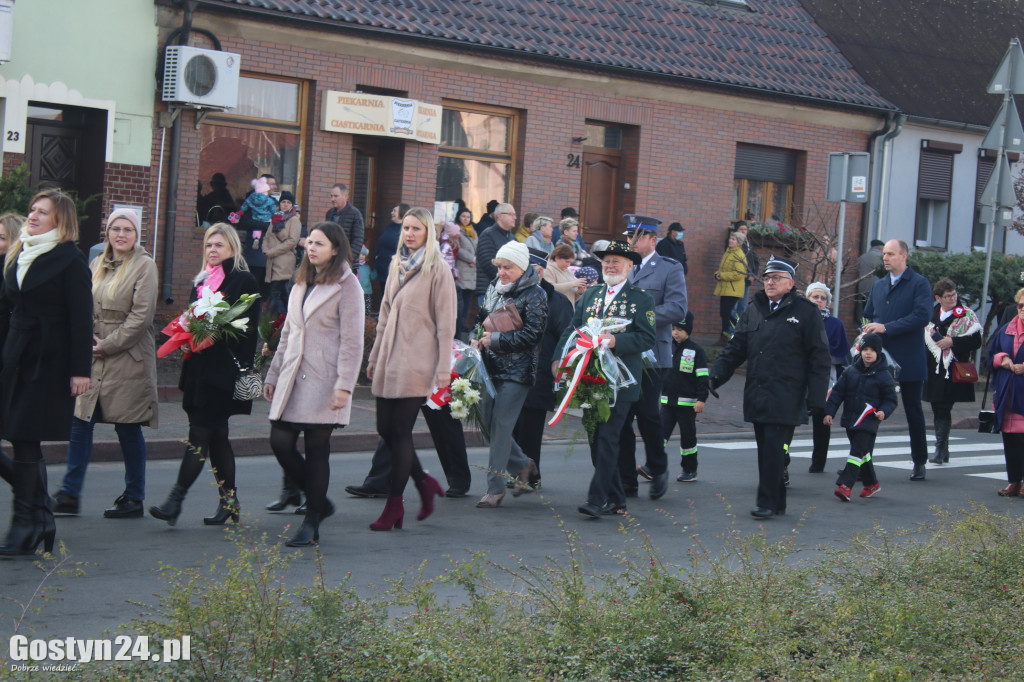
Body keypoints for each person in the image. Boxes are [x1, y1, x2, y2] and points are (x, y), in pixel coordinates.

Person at [0, 189, 92, 556]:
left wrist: (80, 370)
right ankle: (39, 517)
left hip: (48, 360)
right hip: (14, 356)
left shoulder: (70, 259)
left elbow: (81, 319)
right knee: (22, 439)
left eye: (42, 212)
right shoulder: (19, 252)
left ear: (60, 220)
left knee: (24, 436)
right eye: (32, 210)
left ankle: (27, 523)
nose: (33, 217)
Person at [149, 224, 260, 527]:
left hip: (221, 374)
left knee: (199, 434)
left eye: (219, 246)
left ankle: (175, 500)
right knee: (217, 436)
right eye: (209, 245)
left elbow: (243, 327)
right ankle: (229, 501)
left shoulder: (243, 280)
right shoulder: (202, 281)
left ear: (233, 249)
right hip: (200, 370)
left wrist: (208, 332)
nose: (212, 250)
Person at [53, 209, 159, 519]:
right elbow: (81, 304)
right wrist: (84, 340)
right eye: (115, 228)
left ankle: (134, 496)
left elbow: (141, 318)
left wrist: (107, 346)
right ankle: (70, 494)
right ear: (107, 232)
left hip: (128, 358)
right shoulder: (96, 263)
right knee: (80, 423)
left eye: (127, 229)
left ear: (136, 234)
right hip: (94, 354)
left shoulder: (145, 266)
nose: (121, 234)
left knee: (127, 428)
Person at [263, 222, 364, 546]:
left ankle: (311, 521)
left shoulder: (349, 286)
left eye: (320, 244)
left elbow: (352, 342)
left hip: (325, 379)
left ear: (336, 249)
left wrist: (344, 386)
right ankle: (319, 500)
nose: (312, 248)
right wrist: (273, 374)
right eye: (310, 242)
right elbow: (289, 335)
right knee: (280, 441)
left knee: (318, 449)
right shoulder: (301, 281)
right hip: (293, 376)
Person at [710, 255, 830, 519]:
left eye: (776, 278)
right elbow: (736, 348)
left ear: (790, 283)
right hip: (758, 390)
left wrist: (817, 399)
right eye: (767, 278)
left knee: (774, 447)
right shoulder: (754, 308)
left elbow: (820, 357)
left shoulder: (805, 311)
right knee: (766, 447)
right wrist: (715, 376)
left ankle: (766, 501)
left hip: (787, 392)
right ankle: (778, 500)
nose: (770, 282)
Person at [365, 207, 457, 530]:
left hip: (419, 361)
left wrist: (443, 369)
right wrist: (374, 355)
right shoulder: (396, 264)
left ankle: (394, 506)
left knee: (400, 430)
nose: (410, 234)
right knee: (384, 429)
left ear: (428, 232)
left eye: (416, 229)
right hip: (390, 358)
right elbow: (385, 313)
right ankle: (424, 483)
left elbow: (446, 325)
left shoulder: (438, 269)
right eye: (406, 228)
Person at [555, 240, 656, 518]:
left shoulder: (640, 298)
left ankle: (595, 499)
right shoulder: (591, 295)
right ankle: (617, 498)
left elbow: (647, 337)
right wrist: (558, 359)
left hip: (621, 382)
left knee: (609, 438)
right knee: (595, 440)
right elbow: (572, 329)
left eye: (617, 262)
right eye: (607, 261)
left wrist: (616, 341)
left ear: (630, 266)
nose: (610, 266)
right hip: (590, 378)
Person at [473, 241, 548, 508]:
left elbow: (531, 336)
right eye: (500, 267)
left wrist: (494, 341)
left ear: (523, 267)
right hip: (490, 367)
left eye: (508, 267)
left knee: (502, 427)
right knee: (489, 426)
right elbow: (481, 318)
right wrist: (475, 339)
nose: (502, 272)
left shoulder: (536, 294)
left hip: (517, 371)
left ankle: (495, 489)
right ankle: (524, 464)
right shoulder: (495, 287)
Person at [619, 215, 688, 500]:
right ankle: (626, 480)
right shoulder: (622, 266)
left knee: (648, 415)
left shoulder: (669, 268)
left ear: (651, 239)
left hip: (652, 354)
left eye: (634, 238)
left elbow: (677, 309)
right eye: (627, 238)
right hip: (622, 351)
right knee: (621, 418)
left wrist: (641, 317)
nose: (630, 243)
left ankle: (658, 468)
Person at [863, 239, 933, 480]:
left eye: (891, 254)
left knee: (914, 411)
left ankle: (919, 462)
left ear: (904, 256)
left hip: (910, 358)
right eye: (884, 254)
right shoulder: (879, 285)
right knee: (871, 409)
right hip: (881, 359)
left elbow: (922, 316)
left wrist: (886, 327)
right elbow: (868, 315)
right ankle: (863, 463)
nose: (885, 258)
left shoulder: (919, 283)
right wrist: (867, 332)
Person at [513, 249, 573, 490]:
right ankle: (518, 472)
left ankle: (530, 476)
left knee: (530, 427)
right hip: (513, 371)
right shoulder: (513, 294)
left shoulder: (556, 301)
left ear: (538, 272)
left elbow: (567, 337)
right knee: (514, 425)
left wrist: (559, 367)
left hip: (540, 373)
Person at [824, 333, 898, 502]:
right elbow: (837, 394)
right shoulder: (850, 371)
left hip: (869, 420)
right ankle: (872, 484)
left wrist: (884, 412)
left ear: (879, 353)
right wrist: (829, 412)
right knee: (862, 453)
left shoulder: (884, 375)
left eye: (872, 350)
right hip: (851, 419)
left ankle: (845, 486)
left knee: (856, 451)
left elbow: (890, 400)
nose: (868, 353)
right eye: (865, 349)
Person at [924, 278, 982, 465]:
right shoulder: (931, 313)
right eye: (948, 296)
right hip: (933, 368)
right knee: (937, 406)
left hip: (953, 368)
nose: (952, 299)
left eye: (954, 295)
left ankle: (940, 448)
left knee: (943, 406)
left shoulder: (965, 314)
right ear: (938, 298)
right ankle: (943, 448)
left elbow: (976, 341)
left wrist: (953, 342)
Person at [805, 282, 851, 473]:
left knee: (822, 419)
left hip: (825, 377)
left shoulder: (835, 324)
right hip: (800, 375)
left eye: (823, 298)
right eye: (815, 297)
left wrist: (824, 356)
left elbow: (843, 353)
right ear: (807, 299)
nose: (819, 301)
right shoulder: (799, 319)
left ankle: (818, 462)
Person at [661, 312, 708, 482]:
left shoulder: (696, 351)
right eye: (673, 329)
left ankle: (689, 470)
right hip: (667, 402)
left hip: (687, 404)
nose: (675, 333)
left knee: (688, 438)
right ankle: (654, 467)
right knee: (659, 436)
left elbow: (702, 377)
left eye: (680, 329)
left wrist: (701, 399)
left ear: (688, 330)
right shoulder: (667, 347)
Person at [989, 287, 1024, 497]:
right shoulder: (1006, 329)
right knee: (1010, 440)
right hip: (1008, 393)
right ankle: (1014, 481)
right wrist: (1002, 359)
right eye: (1021, 305)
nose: (1023, 310)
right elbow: (992, 352)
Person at [0, 213, 22, 489]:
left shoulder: (13, 271)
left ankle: (33, 495)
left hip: (7, 361)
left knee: (24, 442)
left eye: (3, 237)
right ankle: (34, 495)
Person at [262, 190, 301, 317]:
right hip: (272, 260)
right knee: (283, 292)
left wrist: (272, 251)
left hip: (284, 259)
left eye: (288, 202)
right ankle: (290, 317)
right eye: (283, 202)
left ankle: (267, 322)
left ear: (292, 205)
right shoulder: (275, 218)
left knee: (276, 291)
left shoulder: (294, 220)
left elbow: (292, 241)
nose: (285, 204)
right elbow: (267, 236)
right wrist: (265, 248)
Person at [236, 177, 276, 289]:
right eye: (272, 184)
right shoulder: (251, 199)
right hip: (254, 251)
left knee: (266, 288)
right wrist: (267, 225)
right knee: (252, 285)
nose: (275, 187)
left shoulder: (273, 201)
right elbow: (245, 222)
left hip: (270, 251)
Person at [475, 202, 517, 299]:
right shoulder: (488, 235)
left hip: (508, 292)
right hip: (489, 291)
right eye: (511, 214)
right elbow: (488, 263)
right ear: (499, 216)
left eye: (515, 215)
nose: (515, 218)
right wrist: (510, 278)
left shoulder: (513, 239)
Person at [712, 230, 748, 346]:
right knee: (724, 313)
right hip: (726, 288)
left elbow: (739, 273)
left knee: (727, 313)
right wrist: (717, 274)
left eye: (733, 239)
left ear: (739, 243)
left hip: (733, 290)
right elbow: (723, 269)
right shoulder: (728, 252)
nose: (730, 241)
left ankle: (728, 336)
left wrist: (722, 276)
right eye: (730, 239)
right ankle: (728, 335)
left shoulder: (739, 255)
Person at [325, 183, 364, 270]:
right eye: (331, 196)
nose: (332, 199)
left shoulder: (355, 214)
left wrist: (347, 260)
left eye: (336, 196)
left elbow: (357, 241)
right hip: (330, 261)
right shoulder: (330, 213)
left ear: (345, 196)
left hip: (347, 264)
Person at [374, 203, 408, 294]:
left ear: (401, 213)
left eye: (394, 211)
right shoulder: (390, 226)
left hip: (393, 270)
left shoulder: (404, 229)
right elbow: (381, 242)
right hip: (382, 267)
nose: (391, 212)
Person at [454, 209, 477, 337]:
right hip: (462, 270)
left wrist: (476, 259)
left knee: (467, 300)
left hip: (472, 272)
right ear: (459, 217)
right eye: (463, 216)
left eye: (468, 216)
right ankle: (459, 325)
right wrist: (472, 259)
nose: (466, 219)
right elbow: (458, 249)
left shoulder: (473, 232)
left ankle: (462, 324)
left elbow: (477, 246)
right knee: (460, 301)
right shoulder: (457, 231)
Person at [730, 221, 760, 322]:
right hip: (735, 281)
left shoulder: (749, 245)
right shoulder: (733, 244)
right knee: (733, 307)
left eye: (745, 229)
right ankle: (731, 332)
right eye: (741, 229)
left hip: (746, 282)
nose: (743, 231)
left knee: (742, 307)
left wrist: (753, 275)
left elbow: (755, 261)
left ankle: (740, 331)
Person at [856, 239, 885, 321]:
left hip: (862, 291)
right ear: (881, 249)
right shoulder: (883, 258)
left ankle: (864, 329)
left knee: (865, 313)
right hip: (877, 290)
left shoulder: (862, 257)